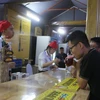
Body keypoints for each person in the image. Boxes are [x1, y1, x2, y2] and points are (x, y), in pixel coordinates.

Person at [66, 30, 100, 100]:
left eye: (71, 48)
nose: (71, 52)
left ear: (80, 45)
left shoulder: (90, 57)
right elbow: (77, 76)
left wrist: (78, 67)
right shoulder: (91, 54)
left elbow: (81, 85)